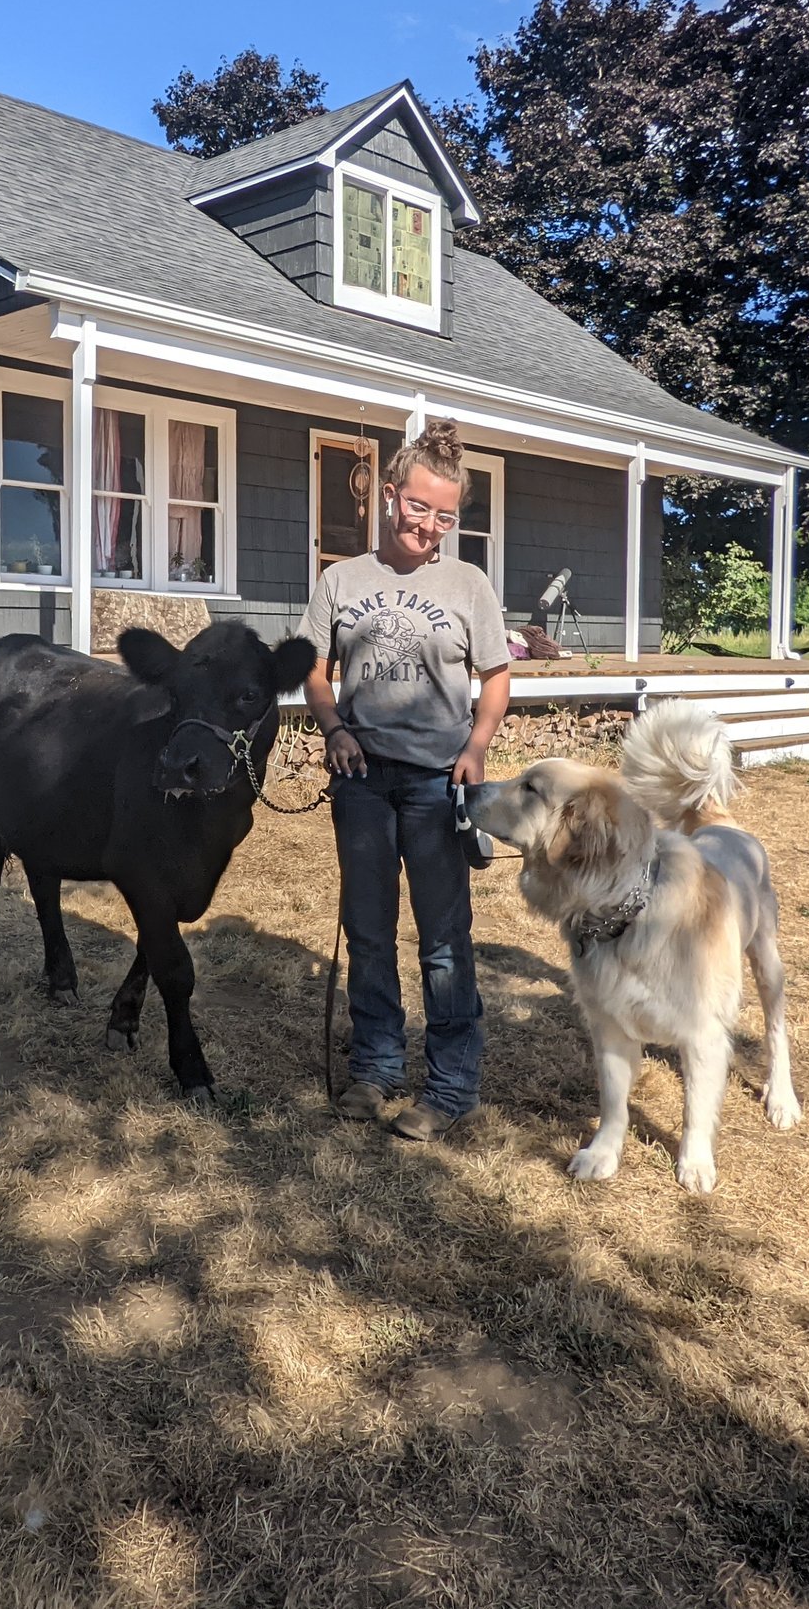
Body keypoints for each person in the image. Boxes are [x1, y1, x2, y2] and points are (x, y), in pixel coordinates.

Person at [299, 420, 512, 1139]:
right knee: (367, 932)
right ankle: (376, 1068)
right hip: (362, 782)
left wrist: (477, 746)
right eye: (420, 507)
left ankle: (451, 1086)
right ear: (391, 495)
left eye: (446, 515)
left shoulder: (468, 584)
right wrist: (333, 729)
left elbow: (497, 676)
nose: (431, 526)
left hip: (434, 786)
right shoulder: (340, 580)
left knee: (444, 941)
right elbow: (313, 668)